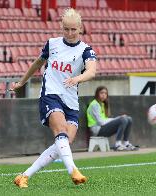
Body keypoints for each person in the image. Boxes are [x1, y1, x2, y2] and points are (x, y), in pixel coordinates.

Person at [10, 8, 97, 188]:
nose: (70, 33)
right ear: (61, 27)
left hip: (71, 100)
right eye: (66, 29)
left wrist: (77, 78)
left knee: (64, 143)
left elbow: (92, 71)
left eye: (73, 29)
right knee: (61, 133)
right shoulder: (52, 44)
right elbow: (37, 63)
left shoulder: (86, 50)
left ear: (80, 28)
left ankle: (24, 176)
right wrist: (22, 82)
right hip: (51, 94)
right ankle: (73, 170)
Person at [86, 86, 138, 151]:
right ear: (97, 94)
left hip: (102, 128)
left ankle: (126, 143)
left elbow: (104, 120)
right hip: (97, 130)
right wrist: (117, 118)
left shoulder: (101, 104)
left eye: (105, 93)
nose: (104, 95)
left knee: (129, 119)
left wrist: (117, 119)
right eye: (101, 93)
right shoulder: (94, 104)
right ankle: (117, 144)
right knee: (123, 119)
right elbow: (100, 122)